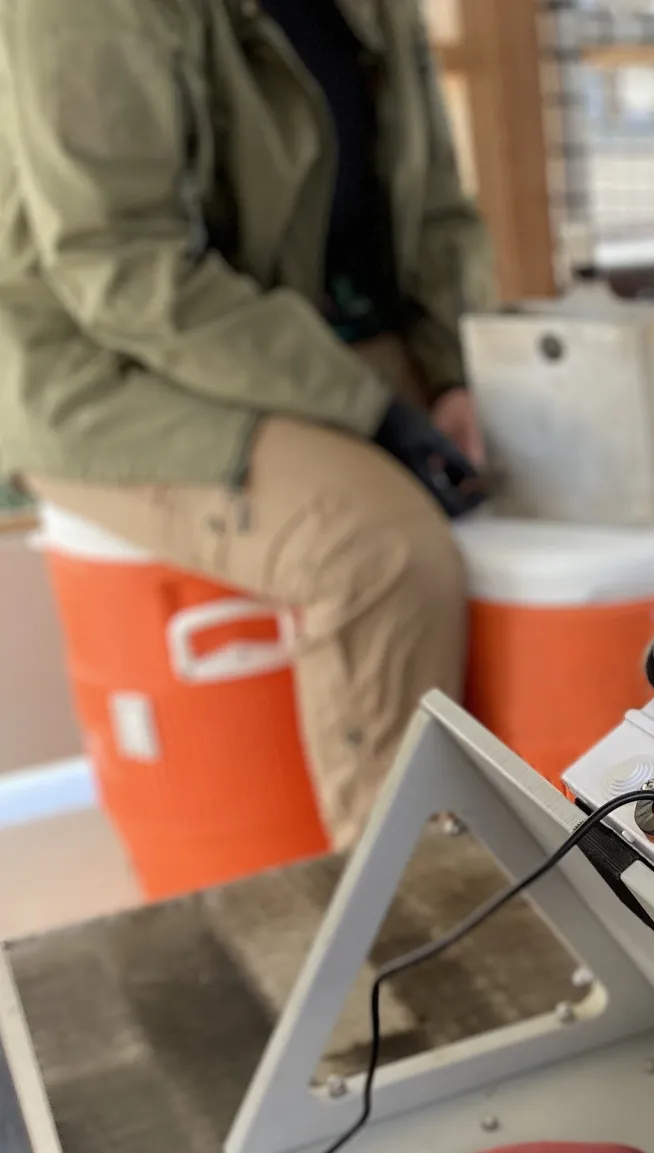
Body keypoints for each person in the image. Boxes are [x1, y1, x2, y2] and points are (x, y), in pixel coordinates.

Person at [0, 0, 492, 848]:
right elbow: (121, 269)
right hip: (107, 369)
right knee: (377, 550)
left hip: (311, 341)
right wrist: (370, 409)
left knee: (555, 468)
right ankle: (403, 903)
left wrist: (459, 373)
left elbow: (436, 207)